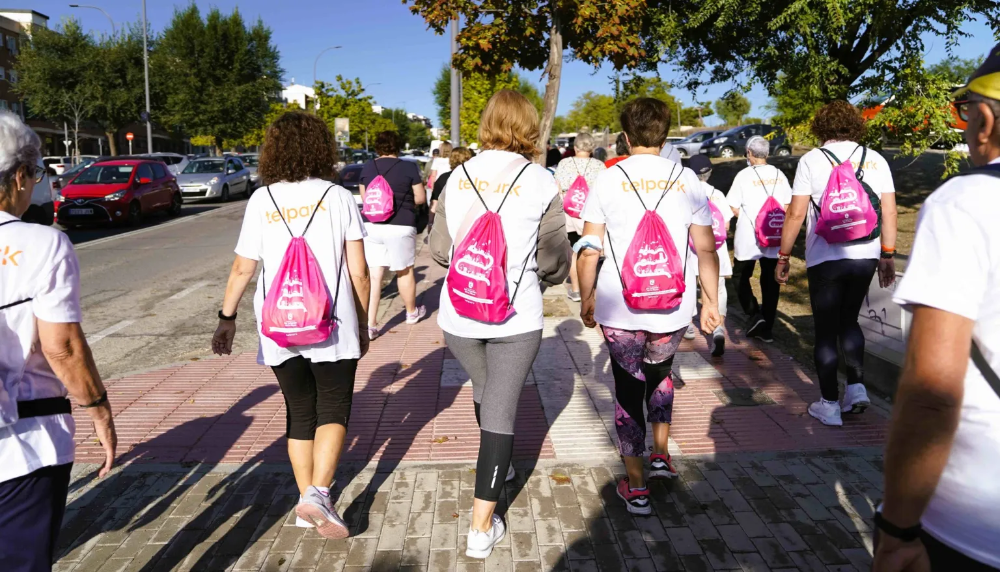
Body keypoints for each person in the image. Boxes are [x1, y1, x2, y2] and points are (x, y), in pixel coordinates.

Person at [212, 111, 371, 540]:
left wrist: (227, 318)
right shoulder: (338, 196)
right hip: (332, 321)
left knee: (299, 410)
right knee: (333, 406)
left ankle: (307, 500)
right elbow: (359, 271)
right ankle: (319, 494)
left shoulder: (261, 199)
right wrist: (363, 324)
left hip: (279, 321)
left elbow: (243, 268)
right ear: (322, 148)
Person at [873, 49, 1000, 572]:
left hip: (973, 523)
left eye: (965, 112)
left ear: (985, 120)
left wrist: (898, 531)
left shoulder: (965, 203)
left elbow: (931, 392)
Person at [429, 90, 570, 559]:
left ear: (487, 122)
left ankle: (501, 467)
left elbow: (439, 250)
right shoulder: (542, 181)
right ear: (529, 126)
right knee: (501, 408)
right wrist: (539, 278)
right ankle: (479, 527)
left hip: (459, 314)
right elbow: (553, 258)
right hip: (515, 314)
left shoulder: (458, 176)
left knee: (485, 388)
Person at [577, 98, 721, 515]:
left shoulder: (608, 179)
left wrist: (587, 297)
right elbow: (706, 248)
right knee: (660, 375)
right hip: (673, 307)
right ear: (665, 135)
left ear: (625, 136)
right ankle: (660, 455)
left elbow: (589, 249)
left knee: (627, 388)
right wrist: (711, 302)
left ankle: (636, 486)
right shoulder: (687, 179)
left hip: (618, 305)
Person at [0, 111, 117, 571]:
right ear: (19, 176)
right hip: (22, 444)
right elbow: (61, 348)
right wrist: (99, 411)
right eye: (35, 173)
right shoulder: (41, 244)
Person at [775, 100, 897, 427]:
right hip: (866, 254)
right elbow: (889, 210)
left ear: (821, 127)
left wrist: (783, 256)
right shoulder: (876, 158)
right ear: (855, 125)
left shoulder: (811, 160)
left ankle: (829, 403)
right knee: (850, 320)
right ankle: (856, 388)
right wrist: (887, 253)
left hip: (825, 257)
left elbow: (796, 214)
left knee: (826, 330)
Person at [359, 131, 427, 339]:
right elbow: (420, 198)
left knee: (375, 275)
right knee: (404, 271)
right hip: (401, 225)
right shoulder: (408, 167)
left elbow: (365, 197)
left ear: (377, 147)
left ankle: (370, 325)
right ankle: (411, 313)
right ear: (398, 146)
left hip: (372, 225)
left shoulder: (368, 167)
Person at [726, 135, 792, 342]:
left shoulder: (744, 175)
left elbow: (732, 206)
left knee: (740, 276)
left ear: (749, 153)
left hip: (749, 236)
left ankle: (754, 314)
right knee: (770, 281)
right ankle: (767, 328)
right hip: (774, 234)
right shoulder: (780, 175)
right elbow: (788, 205)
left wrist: (748, 217)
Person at [684, 154, 733, 357]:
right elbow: (726, 225)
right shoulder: (718, 194)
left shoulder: (686, 193)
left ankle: (688, 323)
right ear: (710, 172)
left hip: (692, 248)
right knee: (718, 288)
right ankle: (718, 328)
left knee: (690, 285)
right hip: (716, 250)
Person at [553, 132, 607, 302]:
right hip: (591, 214)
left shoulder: (564, 163)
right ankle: (590, 289)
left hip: (569, 212)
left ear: (575, 147)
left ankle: (576, 290)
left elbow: (557, 187)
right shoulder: (599, 166)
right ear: (592, 148)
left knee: (573, 251)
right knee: (591, 250)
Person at [430, 146, 473, 215]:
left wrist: (431, 220)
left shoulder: (443, 178)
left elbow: (435, 203)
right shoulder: (475, 177)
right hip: (470, 217)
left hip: (448, 216)